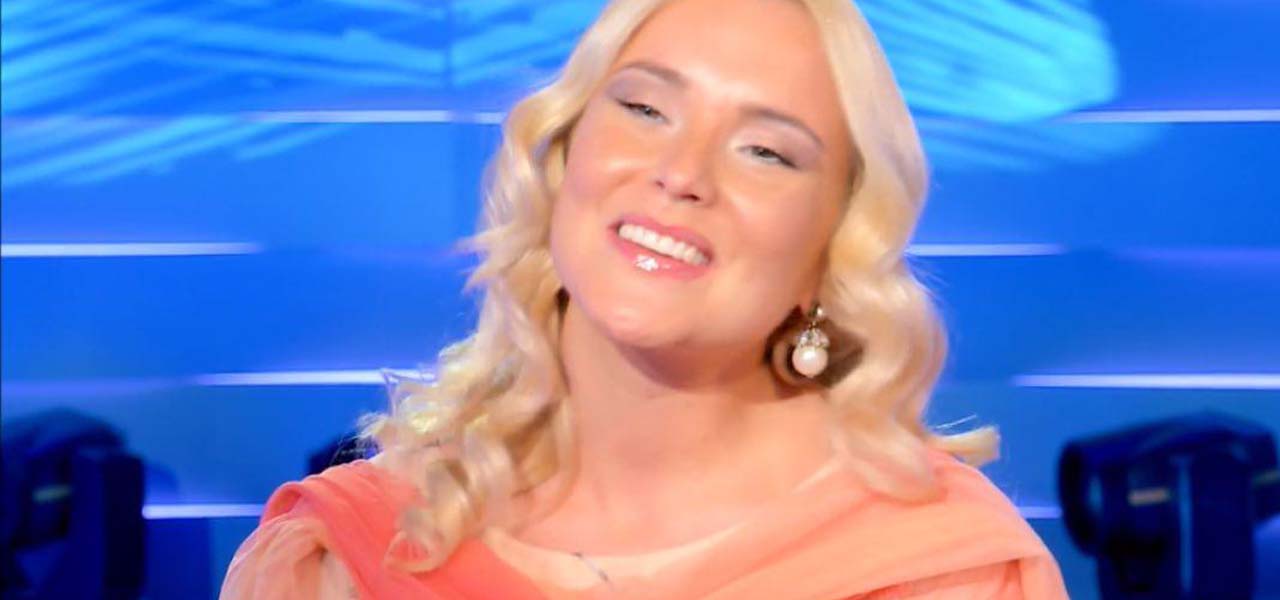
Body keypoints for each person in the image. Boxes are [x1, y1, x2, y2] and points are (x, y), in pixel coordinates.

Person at [221, 0, 1070, 597]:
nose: (682, 173)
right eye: (643, 107)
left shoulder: (940, 571)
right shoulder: (346, 554)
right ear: (562, 155)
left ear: (830, 249)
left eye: (766, 152)